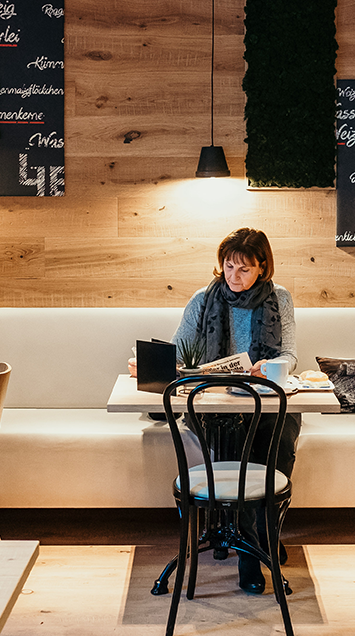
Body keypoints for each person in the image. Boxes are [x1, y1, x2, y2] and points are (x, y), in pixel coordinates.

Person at [129, 227, 299, 594]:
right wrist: (150, 367)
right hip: (210, 401)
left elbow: (289, 354)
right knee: (234, 438)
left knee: (278, 442)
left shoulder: (279, 298)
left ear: (262, 268)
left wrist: (266, 368)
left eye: (244, 270)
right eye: (228, 267)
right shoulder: (203, 299)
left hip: (264, 397)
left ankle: (262, 533)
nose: (234, 277)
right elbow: (179, 350)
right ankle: (250, 555)